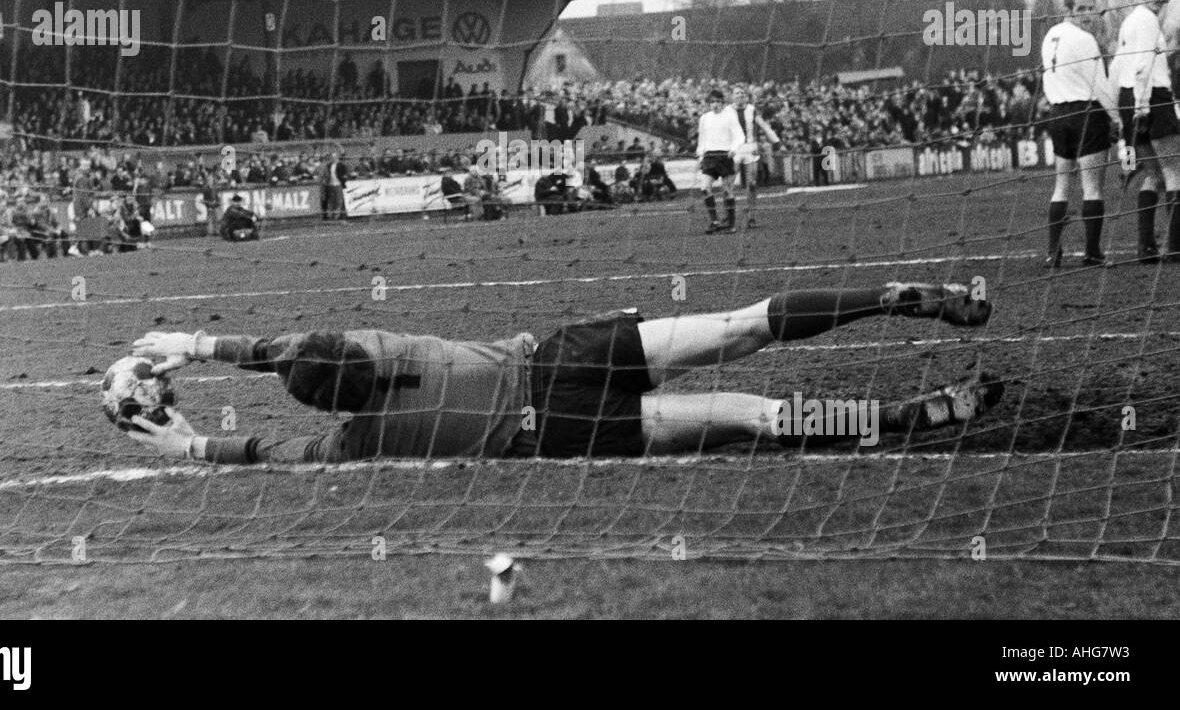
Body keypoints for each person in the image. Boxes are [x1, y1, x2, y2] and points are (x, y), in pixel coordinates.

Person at [119, 282, 1001, 463]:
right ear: (352, 351)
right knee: (741, 328)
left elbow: (275, 451)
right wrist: (193, 346)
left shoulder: (360, 439)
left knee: (755, 413)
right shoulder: (382, 338)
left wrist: (195, 445)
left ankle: (910, 418)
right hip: (561, 353)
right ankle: (892, 295)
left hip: (564, 432)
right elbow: (282, 345)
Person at [1040, 0, 1118, 268]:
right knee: (1092, 187)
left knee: (1061, 185)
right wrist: (1118, 117)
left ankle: (1053, 252)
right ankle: (1093, 253)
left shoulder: (1050, 36)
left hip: (1058, 115)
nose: (1088, 14)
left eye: (1091, 7)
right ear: (1068, 11)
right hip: (1087, 113)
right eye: (1081, 9)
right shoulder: (1085, 40)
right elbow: (1101, 85)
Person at [1114, 0, 1179, 262]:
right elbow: (1143, 66)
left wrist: (1127, 115)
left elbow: (1118, 68)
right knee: (1174, 170)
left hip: (1130, 98)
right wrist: (1143, 107)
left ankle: (1146, 247)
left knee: (1153, 174)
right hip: (1151, 97)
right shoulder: (1147, 21)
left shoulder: (1129, 22)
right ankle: (1176, 247)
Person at [696, 88, 745, 233]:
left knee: (727, 190)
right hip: (709, 157)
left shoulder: (729, 116)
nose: (715, 104)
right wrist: (700, 156)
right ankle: (715, 221)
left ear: (723, 103)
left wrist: (733, 149)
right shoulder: (704, 118)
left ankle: (731, 224)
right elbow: (701, 140)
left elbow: (740, 136)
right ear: (709, 104)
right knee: (705, 188)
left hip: (725, 156)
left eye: (718, 101)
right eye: (712, 102)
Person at [731, 85, 781, 228]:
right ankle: (729, 217)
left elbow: (764, 125)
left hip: (750, 147)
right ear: (732, 96)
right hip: (734, 149)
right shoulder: (727, 111)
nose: (740, 95)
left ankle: (751, 217)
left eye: (742, 93)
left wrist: (775, 140)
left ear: (745, 96)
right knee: (729, 183)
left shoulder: (751, 110)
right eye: (737, 93)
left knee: (752, 184)